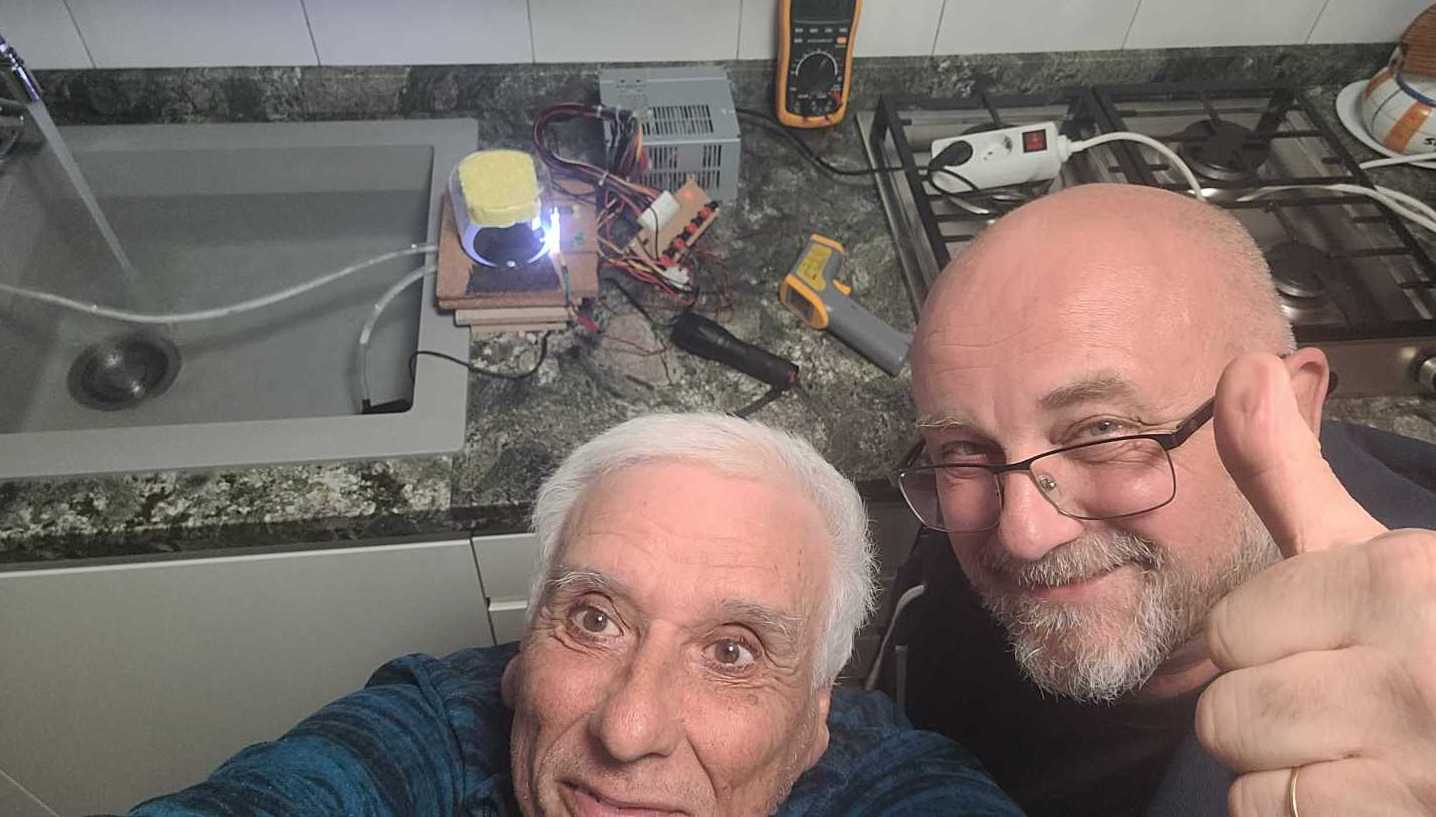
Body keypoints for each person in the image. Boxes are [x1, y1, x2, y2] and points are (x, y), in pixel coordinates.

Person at [126, 413, 1024, 817]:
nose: (627, 730)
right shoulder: (436, 731)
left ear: (816, 716)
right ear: (522, 651)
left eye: (733, 651)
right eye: (595, 619)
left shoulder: (891, 781)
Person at [892, 183, 1436, 817]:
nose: (1024, 533)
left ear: (1292, 409)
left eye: (1102, 432)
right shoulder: (957, 536)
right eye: (964, 449)